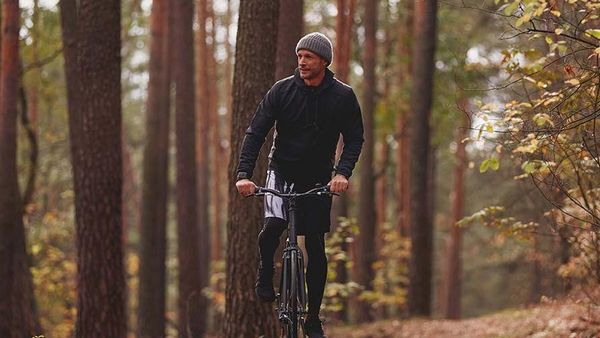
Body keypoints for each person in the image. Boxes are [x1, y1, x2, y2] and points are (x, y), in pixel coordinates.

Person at [235, 32, 364, 337]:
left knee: (316, 247)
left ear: (324, 61)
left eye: (308, 57)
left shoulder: (342, 96)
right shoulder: (282, 91)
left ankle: (313, 318)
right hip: (281, 171)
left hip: (320, 177)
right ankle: (266, 272)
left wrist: (342, 173)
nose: (302, 62)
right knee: (272, 227)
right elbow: (256, 133)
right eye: (299, 56)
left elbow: (355, 139)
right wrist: (243, 174)